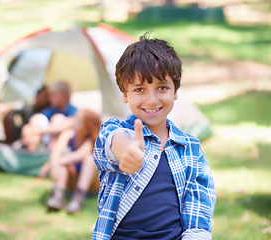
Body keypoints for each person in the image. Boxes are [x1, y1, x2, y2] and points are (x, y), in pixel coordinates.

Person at [92, 34, 216, 239]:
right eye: (139, 89)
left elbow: (198, 215)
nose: (152, 100)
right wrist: (127, 151)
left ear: (175, 90)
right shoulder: (115, 131)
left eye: (162, 88)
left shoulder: (191, 149)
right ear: (125, 94)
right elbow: (112, 141)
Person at [40, 109, 101, 214]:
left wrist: (51, 164)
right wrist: (55, 165)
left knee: (89, 159)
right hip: (72, 182)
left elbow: (78, 156)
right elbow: (56, 151)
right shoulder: (69, 134)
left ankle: (78, 198)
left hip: (90, 187)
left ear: (86, 128)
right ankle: (58, 195)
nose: (73, 121)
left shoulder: (90, 141)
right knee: (62, 166)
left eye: (78, 121)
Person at [21, 80, 78, 152]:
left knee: (58, 119)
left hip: (67, 144)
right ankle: (32, 150)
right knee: (36, 119)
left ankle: (53, 152)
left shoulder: (73, 110)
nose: (50, 98)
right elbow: (35, 120)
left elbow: (65, 126)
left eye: (53, 95)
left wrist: (39, 130)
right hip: (49, 140)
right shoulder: (52, 110)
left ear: (64, 95)